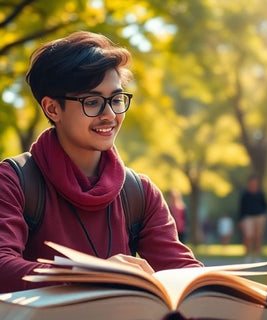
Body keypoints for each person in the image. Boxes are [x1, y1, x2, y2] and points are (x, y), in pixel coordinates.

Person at [0, 31, 203, 293]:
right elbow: (2, 267)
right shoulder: (13, 181)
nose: (110, 115)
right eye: (92, 102)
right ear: (52, 109)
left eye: (116, 99)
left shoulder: (140, 193)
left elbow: (182, 272)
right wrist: (95, 273)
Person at [238, 174, 267, 261]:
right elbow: (241, 208)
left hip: (259, 217)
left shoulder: (260, 194)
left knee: (258, 236)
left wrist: (264, 216)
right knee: (248, 236)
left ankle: (257, 255)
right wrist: (241, 220)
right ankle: (247, 255)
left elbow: (265, 206)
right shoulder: (245, 195)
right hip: (248, 218)